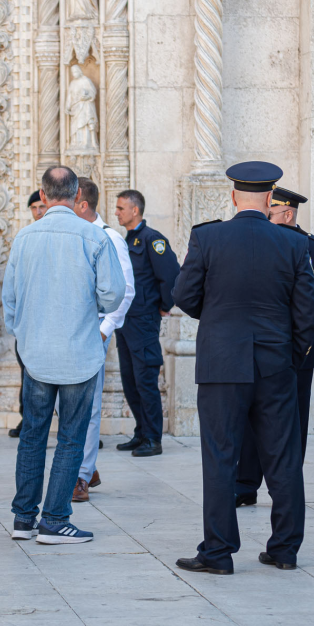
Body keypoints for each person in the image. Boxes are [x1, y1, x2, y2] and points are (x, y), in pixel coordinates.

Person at [172, 161, 314, 576]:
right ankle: (285, 549)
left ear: (234, 197)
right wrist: (291, 356)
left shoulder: (207, 236)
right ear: (272, 199)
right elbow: (305, 312)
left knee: (220, 457)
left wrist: (216, 320)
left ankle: (218, 552)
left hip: (222, 363)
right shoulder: (292, 244)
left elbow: (184, 295)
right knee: (283, 458)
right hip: (275, 365)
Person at [2, 166, 126, 545]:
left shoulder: (24, 238)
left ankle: (24, 518)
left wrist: (24, 334)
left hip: (37, 351)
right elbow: (113, 294)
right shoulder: (94, 236)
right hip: (79, 351)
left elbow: (10, 299)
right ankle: (55, 519)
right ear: (75, 196)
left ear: (42, 195)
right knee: (71, 437)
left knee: (33, 436)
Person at [235, 186, 314, 508]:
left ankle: (288, 487)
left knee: (293, 422)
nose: (265, 216)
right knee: (251, 419)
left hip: (296, 350)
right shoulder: (257, 242)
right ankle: (245, 484)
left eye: (272, 212)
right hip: (259, 348)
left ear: (288, 214)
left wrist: (298, 334)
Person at [72, 177, 135, 503]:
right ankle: (86, 466)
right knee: (65, 404)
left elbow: (126, 289)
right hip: (66, 330)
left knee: (88, 404)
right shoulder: (71, 234)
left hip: (93, 329)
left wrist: (103, 329)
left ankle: (81, 475)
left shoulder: (110, 238)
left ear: (81, 202)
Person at [112, 189, 180, 457]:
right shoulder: (127, 240)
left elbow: (172, 277)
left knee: (145, 378)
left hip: (143, 320)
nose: (116, 212)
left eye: (120, 208)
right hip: (125, 320)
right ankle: (141, 433)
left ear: (135, 210)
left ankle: (153, 438)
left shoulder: (153, 240)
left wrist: (163, 306)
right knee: (130, 379)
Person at [8, 191, 47, 439]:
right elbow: (14, 282)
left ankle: (83, 431)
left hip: (54, 318)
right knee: (28, 374)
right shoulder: (24, 238)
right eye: (34, 207)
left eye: (42, 206)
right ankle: (27, 420)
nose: (39, 211)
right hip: (29, 320)